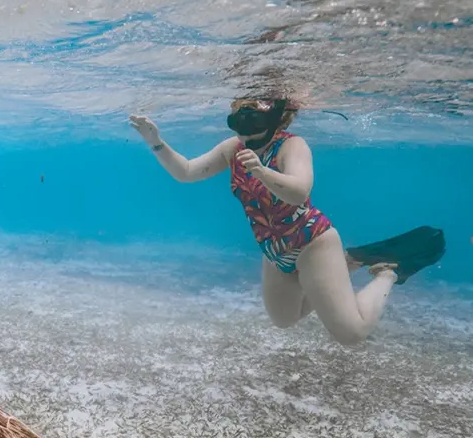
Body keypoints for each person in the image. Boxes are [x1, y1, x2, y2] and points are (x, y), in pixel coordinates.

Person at [129, 97, 444, 346]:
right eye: (237, 123)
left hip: (312, 241)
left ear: (274, 119)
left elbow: (299, 191)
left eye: (251, 123)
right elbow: (186, 172)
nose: (244, 134)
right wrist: (155, 142)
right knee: (284, 318)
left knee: (352, 334)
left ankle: (388, 273)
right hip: (274, 250)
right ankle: (347, 262)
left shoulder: (292, 145)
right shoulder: (232, 149)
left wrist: (262, 172)